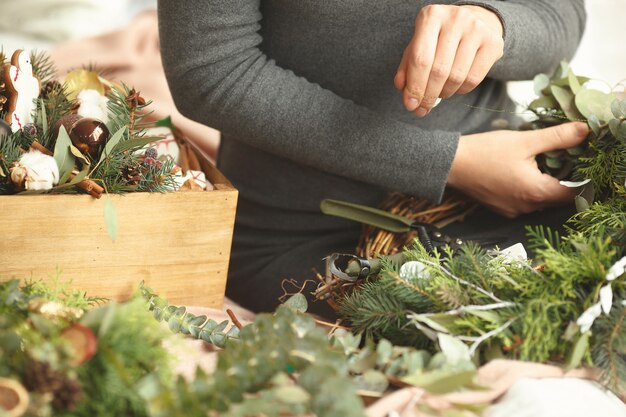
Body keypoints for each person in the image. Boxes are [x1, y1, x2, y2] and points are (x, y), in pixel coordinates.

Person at [157, 0, 587, 316]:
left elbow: (561, 13)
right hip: (306, 241)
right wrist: (445, 163)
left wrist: (495, 25)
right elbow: (210, 71)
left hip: (500, 209)